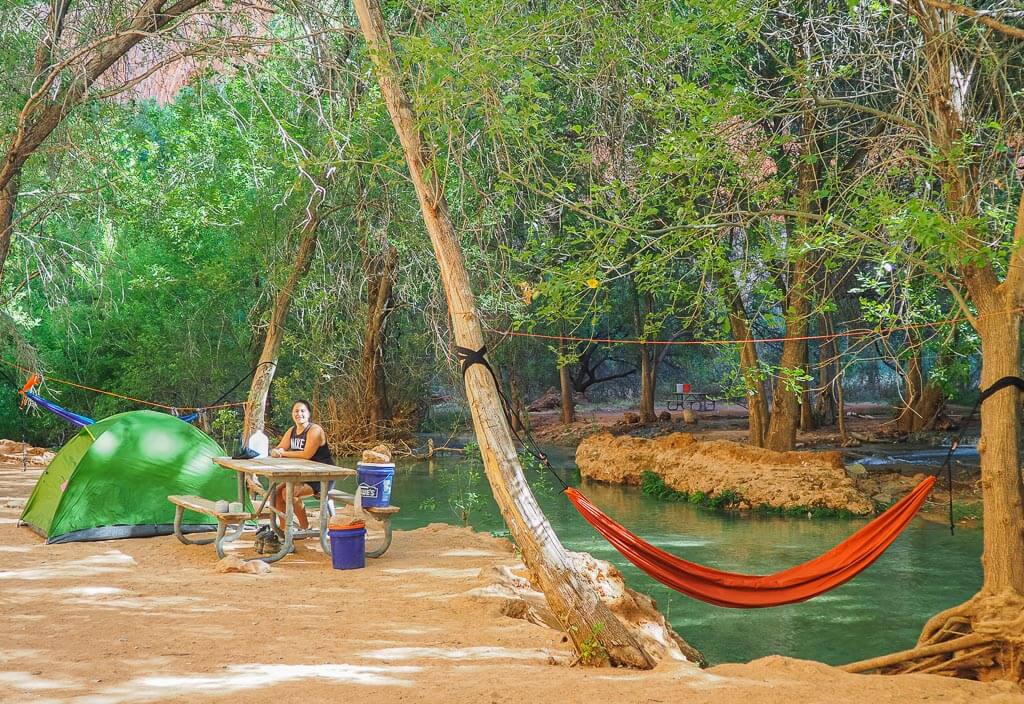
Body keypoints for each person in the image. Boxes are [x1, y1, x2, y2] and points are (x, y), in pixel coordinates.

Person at [267, 399, 334, 532]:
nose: (299, 414)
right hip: (302, 474)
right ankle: (284, 528)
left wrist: (284, 453)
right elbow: (281, 447)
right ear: (292, 414)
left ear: (309, 413)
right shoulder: (292, 430)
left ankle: (305, 527)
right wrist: (276, 451)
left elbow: (306, 455)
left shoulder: (315, 430)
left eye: (302, 411)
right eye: (296, 411)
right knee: (274, 493)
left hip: (321, 475)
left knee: (289, 492)